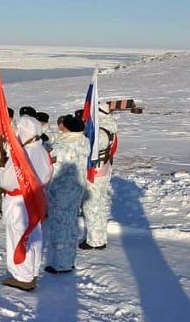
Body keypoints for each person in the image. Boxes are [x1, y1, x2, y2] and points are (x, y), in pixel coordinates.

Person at [0, 115, 53, 291]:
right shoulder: (42, 150)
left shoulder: (22, 154)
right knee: (34, 236)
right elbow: (48, 174)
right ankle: (31, 271)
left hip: (20, 202)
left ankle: (23, 277)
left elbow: (8, 181)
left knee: (20, 237)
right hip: (36, 199)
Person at [44, 115, 90, 273]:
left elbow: (55, 166)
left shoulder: (66, 144)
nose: (61, 126)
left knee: (61, 225)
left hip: (62, 190)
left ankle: (61, 264)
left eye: (64, 124)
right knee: (70, 224)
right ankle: (67, 260)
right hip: (75, 189)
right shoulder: (83, 141)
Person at [81, 102, 119, 250]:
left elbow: (93, 147)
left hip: (96, 172)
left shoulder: (101, 132)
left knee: (92, 206)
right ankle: (99, 238)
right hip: (103, 170)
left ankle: (94, 240)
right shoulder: (109, 128)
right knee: (100, 204)